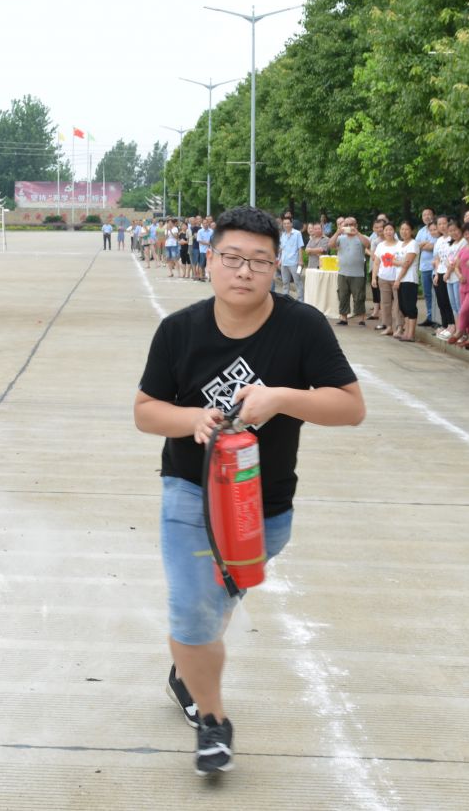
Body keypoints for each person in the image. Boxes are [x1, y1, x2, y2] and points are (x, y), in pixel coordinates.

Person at [133, 205, 365, 775]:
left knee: (211, 610)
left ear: (275, 266)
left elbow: (350, 406)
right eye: (232, 258)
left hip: (266, 507)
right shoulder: (179, 331)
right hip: (192, 492)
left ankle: (189, 666)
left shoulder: (302, 326)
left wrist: (282, 398)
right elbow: (145, 411)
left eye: (259, 261)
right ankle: (213, 722)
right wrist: (192, 419)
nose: (244, 271)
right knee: (192, 609)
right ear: (210, 260)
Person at [335, 218, 371, 326]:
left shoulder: (361, 237)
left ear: (356, 225)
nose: (349, 226)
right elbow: (330, 244)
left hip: (357, 273)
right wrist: (337, 232)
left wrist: (357, 233)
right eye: (346, 224)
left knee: (359, 296)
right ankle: (343, 318)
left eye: (351, 224)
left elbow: (367, 244)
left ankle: (361, 319)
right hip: (343, 272)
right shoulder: (340, 238)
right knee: (342, 295)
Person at [395, 220, 420, 341]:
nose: (404, 231)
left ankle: (411, 334)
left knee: (410, 307)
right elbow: (393, 260)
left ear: (412, 231)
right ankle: (406, 333)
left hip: (409, 279)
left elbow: (407, 264)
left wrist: (398, 279)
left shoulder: (413, 244)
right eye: (402, 229)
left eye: (407, 229)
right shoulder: (400, 244)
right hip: (400, 279)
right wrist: (401, 262)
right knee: (403, 307)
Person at [374, 222, 401, 333]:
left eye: (390, 229)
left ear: (394, 231)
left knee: (398, 303)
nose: (388, 232)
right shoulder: (380, 246)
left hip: (397, 278)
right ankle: (388, 326)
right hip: (383, 278)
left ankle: (399, 327)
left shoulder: (400, 245)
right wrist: (374, 278)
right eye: (386, 230)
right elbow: (376, 263)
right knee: (385, 303)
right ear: (383, 232)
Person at [415, 211, 438, 327]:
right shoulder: (421, 231)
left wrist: (423, 245)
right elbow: (415, 246)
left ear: (433, 215)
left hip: (436, 268)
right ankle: (430, 317)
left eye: (429, 214)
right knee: (427, 294)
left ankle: (437, 319)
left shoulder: (437, 228)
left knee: (437, 294)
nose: (426, 216)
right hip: (424, 267)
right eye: (424, 215)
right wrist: (425, 245)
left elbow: (434, 246)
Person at [275, 217, 304, 300]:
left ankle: (300, 300)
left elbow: (300, 247)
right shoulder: (283, 235)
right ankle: (285, 300)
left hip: (294, 262)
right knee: (285, 283)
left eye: (288, 223)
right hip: (284, 262)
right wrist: (279, 260)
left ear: (291, 224)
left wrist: (300, 260)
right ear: (283, 225)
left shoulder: (297, 233)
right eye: (284, 224)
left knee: (297, 282)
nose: (286, 225)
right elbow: (281, 249)